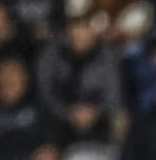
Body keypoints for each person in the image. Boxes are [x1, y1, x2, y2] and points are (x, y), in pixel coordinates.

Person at [35, 9, 126, 145]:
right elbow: (44, 89)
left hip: (99, 114)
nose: (79, 36)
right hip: (60, 114)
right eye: (75, 29)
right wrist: (66, 112)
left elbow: (114, 92)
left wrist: (95, 111)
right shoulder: (51, 53)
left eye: (85, 29)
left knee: (120, 120)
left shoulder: (107, 55)